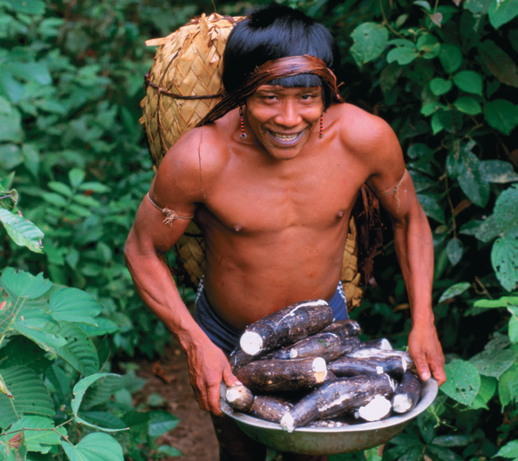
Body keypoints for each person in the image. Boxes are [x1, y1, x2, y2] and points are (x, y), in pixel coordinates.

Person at [124, 5, 446, 461]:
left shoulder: (363, 139)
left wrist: (423, 320)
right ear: (240, 94)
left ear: (329, 91)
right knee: (238, 451)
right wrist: (195, 342)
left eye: (307, 97)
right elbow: (142, 250)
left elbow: (409, 219)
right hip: (226, 335)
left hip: (323, 329)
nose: (289, 118)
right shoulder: (201, 159)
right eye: (269, 97)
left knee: (311, 452)